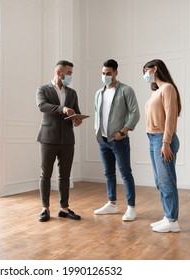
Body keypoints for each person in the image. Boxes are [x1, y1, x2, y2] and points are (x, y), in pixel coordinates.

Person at [36, 60, 83, 222]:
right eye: (69, 73)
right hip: (48, 138)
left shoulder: (72, 93)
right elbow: (42, 106)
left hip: (68, 139)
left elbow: (76, 111)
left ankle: (64, 208)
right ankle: (45, 209)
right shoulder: (43, 89)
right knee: (46, 174)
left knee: (65, 176)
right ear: (59, 72)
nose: (71, 76)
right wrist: (62, 109)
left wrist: (77, 119)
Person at [93, 59, 140, 221]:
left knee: (126, 173)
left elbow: (135, 113)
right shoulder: (99, 93)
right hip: (103, 140)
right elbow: (97, 114)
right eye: (103, 73)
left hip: (119, 139)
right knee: (108, 173)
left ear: (115, 73)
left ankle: (131, 208)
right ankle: (111, 204)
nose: (105, 76)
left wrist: (123, 131)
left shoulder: (125, 90)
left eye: (108, 73)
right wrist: (97, 133)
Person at [143, 59, 182, 233]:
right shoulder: (157, 91)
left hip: (163, 139)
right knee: (160, 182)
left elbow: (171, 117)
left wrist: (166, 143)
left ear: (155, 69)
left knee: (167, 181)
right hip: (153, 139)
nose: (145, 74)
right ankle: (167, 216)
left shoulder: (167, 88)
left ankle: (173, 221)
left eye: (146, 70)